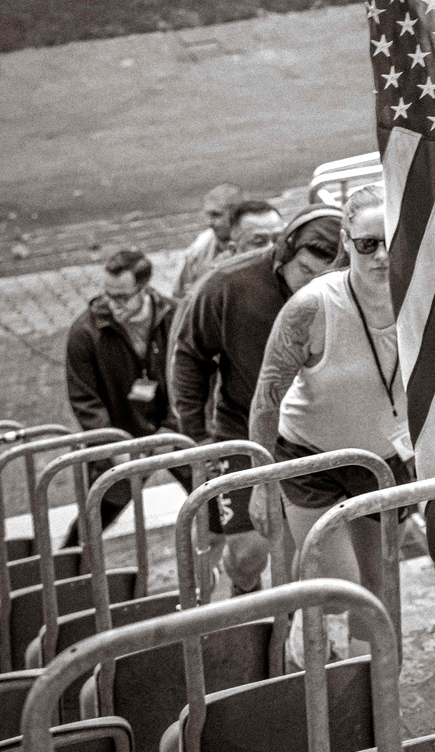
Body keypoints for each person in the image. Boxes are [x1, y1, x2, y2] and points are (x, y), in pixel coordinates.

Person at [247, 183, 412, 655]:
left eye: (390, 242)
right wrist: (262, 484)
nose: (380, 256)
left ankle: (369, 684)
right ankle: (304, 623)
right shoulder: (313, 306)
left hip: (381, 457)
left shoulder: (420, 295)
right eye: (366, 244)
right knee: (342, 583)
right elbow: (266, 398)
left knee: (378, 585)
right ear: (345, 241)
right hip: (309, 455)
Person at [170, 206, 344, 594]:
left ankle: (295, 627)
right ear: (283, 255)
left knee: (306, 549)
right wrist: (196, 436)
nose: (317, 284)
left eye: (328, 275)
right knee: (250, 552)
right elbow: (189, 356)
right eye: (306, 272)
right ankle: (243, 591)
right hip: (243, 431)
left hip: (314, 435)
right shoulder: (228, 284)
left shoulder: (350, 288)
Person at [64, 249, 178, 544]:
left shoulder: (175, 317)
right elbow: (84, 400)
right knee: (95, 517)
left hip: (174, 431)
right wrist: (113, 445)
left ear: (145, 288)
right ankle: (70, 564)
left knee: (216, 505)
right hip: (120, 435)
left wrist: (173, 429)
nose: (114, 306)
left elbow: (191, 379)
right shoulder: (86, 332)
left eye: (123, 298)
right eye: (108, 295)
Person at [173, 183, 242, 300]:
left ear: (236, 215)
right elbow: (179, 296)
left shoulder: (257, 243)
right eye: (208, 215)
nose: (209, 223)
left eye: (216, 215)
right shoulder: (199, 248)